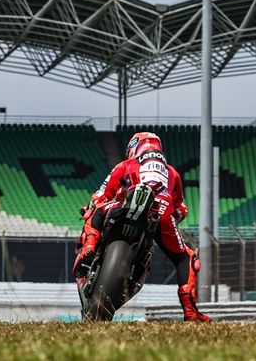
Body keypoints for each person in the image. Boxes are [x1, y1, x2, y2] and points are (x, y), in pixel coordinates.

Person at [73, 131, 211, 322]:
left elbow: (101, 194)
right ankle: (190, 311)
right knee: (185, 258)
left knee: (97, 209)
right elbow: (181, 209)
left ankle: (89, 246)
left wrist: (89, 208)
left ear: (133, 149)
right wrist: (172, 217)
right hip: (162, 211)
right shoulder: (173, 173)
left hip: (123, 207)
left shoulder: (126, 164)